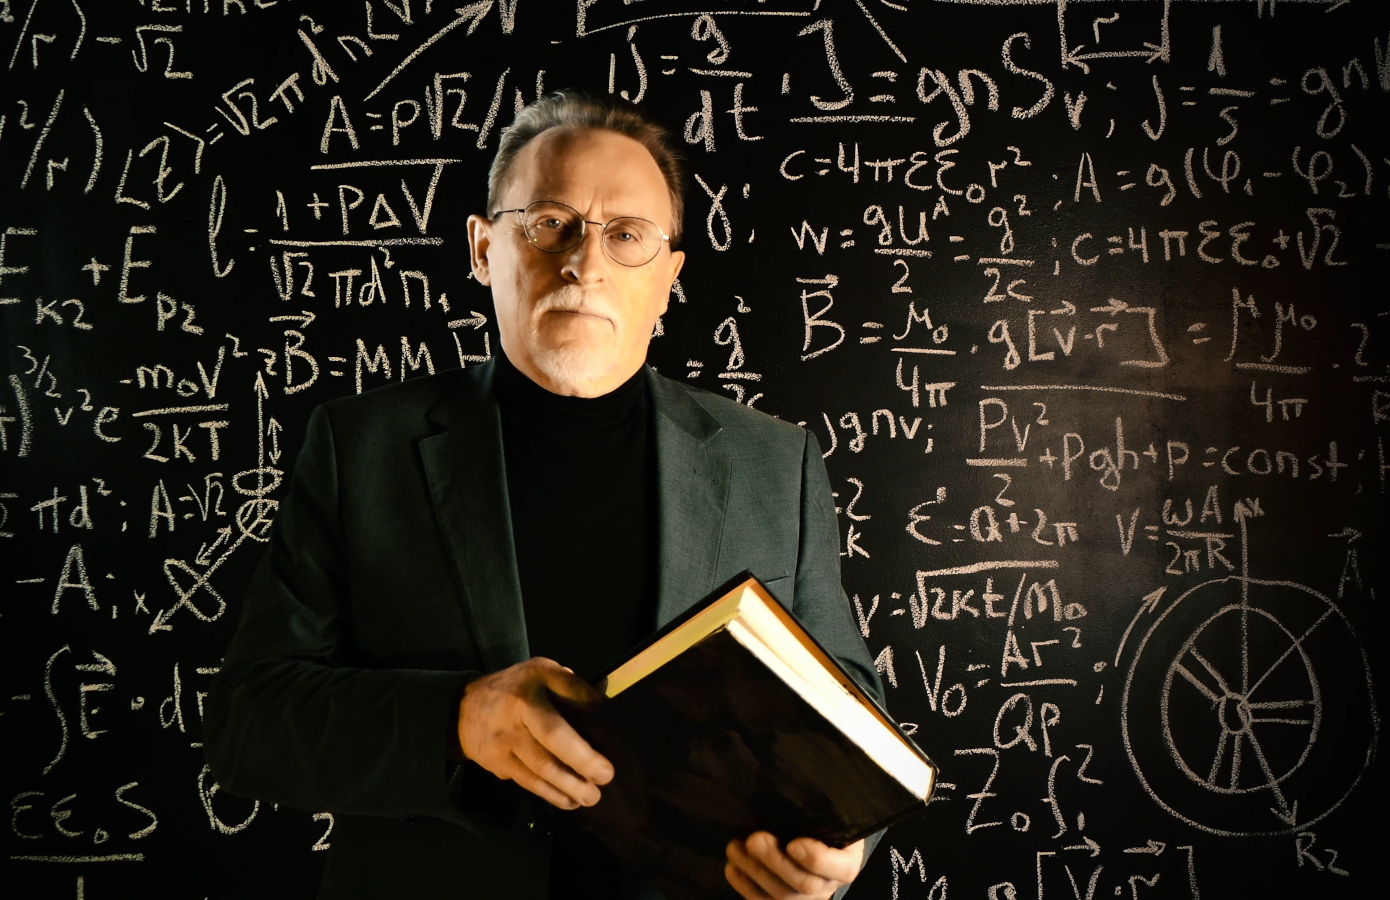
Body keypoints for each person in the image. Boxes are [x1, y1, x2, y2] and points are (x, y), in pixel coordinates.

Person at [203, 92, 884, 900]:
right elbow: (251, 721)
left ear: (668, 279)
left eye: (626, 236)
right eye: (550, 221)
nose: (584, 263)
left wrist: (840, 849)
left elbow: (851, 717)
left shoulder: (779, 463)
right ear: (484, 248)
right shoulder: (361, 450)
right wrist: (455, 722)